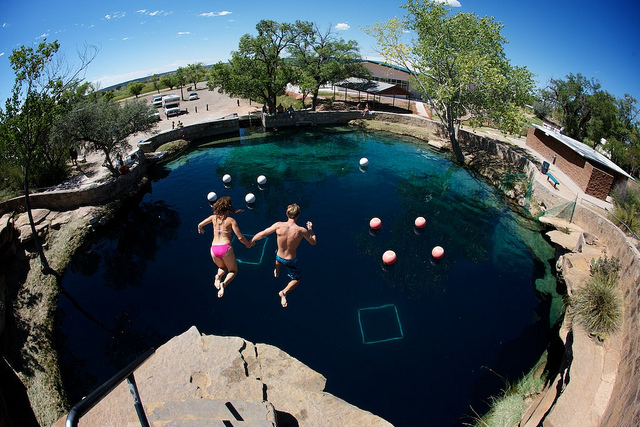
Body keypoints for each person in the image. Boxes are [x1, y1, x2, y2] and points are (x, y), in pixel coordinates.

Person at [252, 203, 316, 307]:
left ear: (286, 213)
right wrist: (310, 229)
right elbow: (313, 242)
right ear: (298, 215)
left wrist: (252, 241)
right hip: (290, 260)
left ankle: (276, 272)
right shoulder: (301, 231)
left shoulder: (278, 225)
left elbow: (262, 233)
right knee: (296, 279)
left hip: (279, 256)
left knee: (278, 259)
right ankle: (284, 292)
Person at [198, 196, 253, 298]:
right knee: (233, 271)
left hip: (214, 249)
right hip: (225, 249)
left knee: (222, 267)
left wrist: (200, 229)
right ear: (228, 207)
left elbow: (200, 224)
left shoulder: (212, 218)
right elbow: (240, 237)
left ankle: (218, 276)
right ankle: (224, 284)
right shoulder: (231, 221)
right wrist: (248, 244)